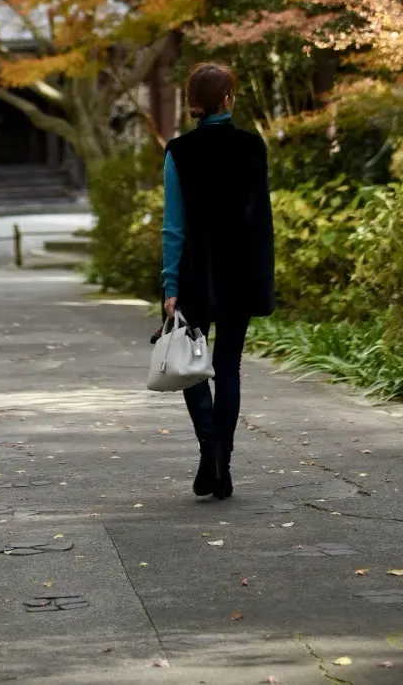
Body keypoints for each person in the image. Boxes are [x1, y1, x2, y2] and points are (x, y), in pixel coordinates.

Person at [161, 61, 274, 501]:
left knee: (193, 370)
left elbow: (174, 226)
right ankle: (222, 462)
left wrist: (171, 286)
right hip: (241, 274)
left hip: (195, 274)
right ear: (229, 98)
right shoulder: (252, 146)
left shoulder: (179, 152)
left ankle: (210, 451)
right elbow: (260, 221)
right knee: (229, 368)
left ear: (194, 102)